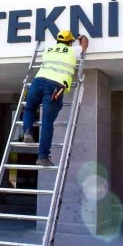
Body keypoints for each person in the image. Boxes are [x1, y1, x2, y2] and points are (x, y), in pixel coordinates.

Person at [22, 30, 89, 166]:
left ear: (58, 40)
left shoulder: (48, 50)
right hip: (55, 87)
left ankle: (27, 131)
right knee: (47, 122)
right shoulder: (72, 51)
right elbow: (84, 44)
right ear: (70, 42)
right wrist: (81, 37)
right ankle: (42, 157)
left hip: (37, 82)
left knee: (29, 109)